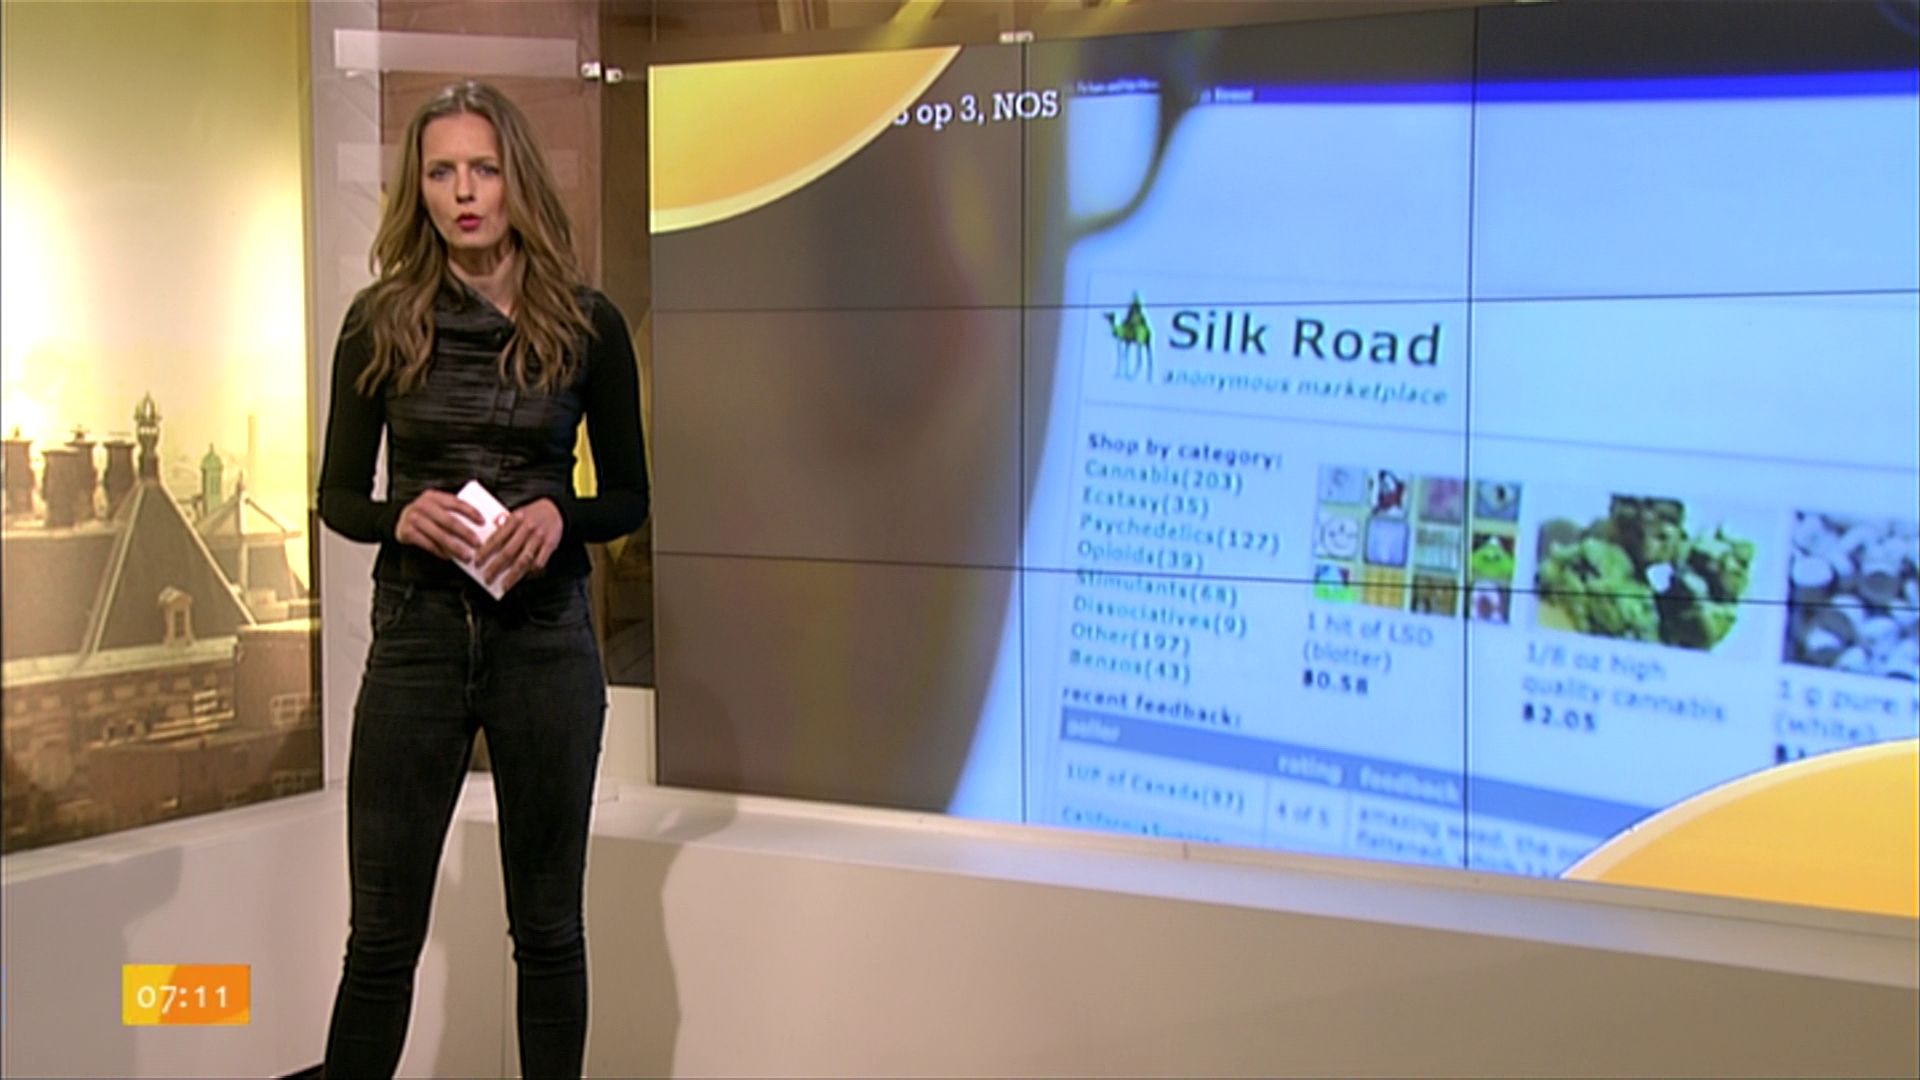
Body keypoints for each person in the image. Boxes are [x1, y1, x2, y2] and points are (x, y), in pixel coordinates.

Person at [316, 80, 648, 1080]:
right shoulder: (380, 322)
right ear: (417, 189)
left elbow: (628, 498)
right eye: (441, 172)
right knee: (381, 940)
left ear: (517, 180)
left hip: (543, 644)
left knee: (548, 931)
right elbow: (338, 496)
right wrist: (397, 516)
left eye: (484, 170)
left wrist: (561, 515)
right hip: (416, 640)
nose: (463, 192)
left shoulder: (588, 325)